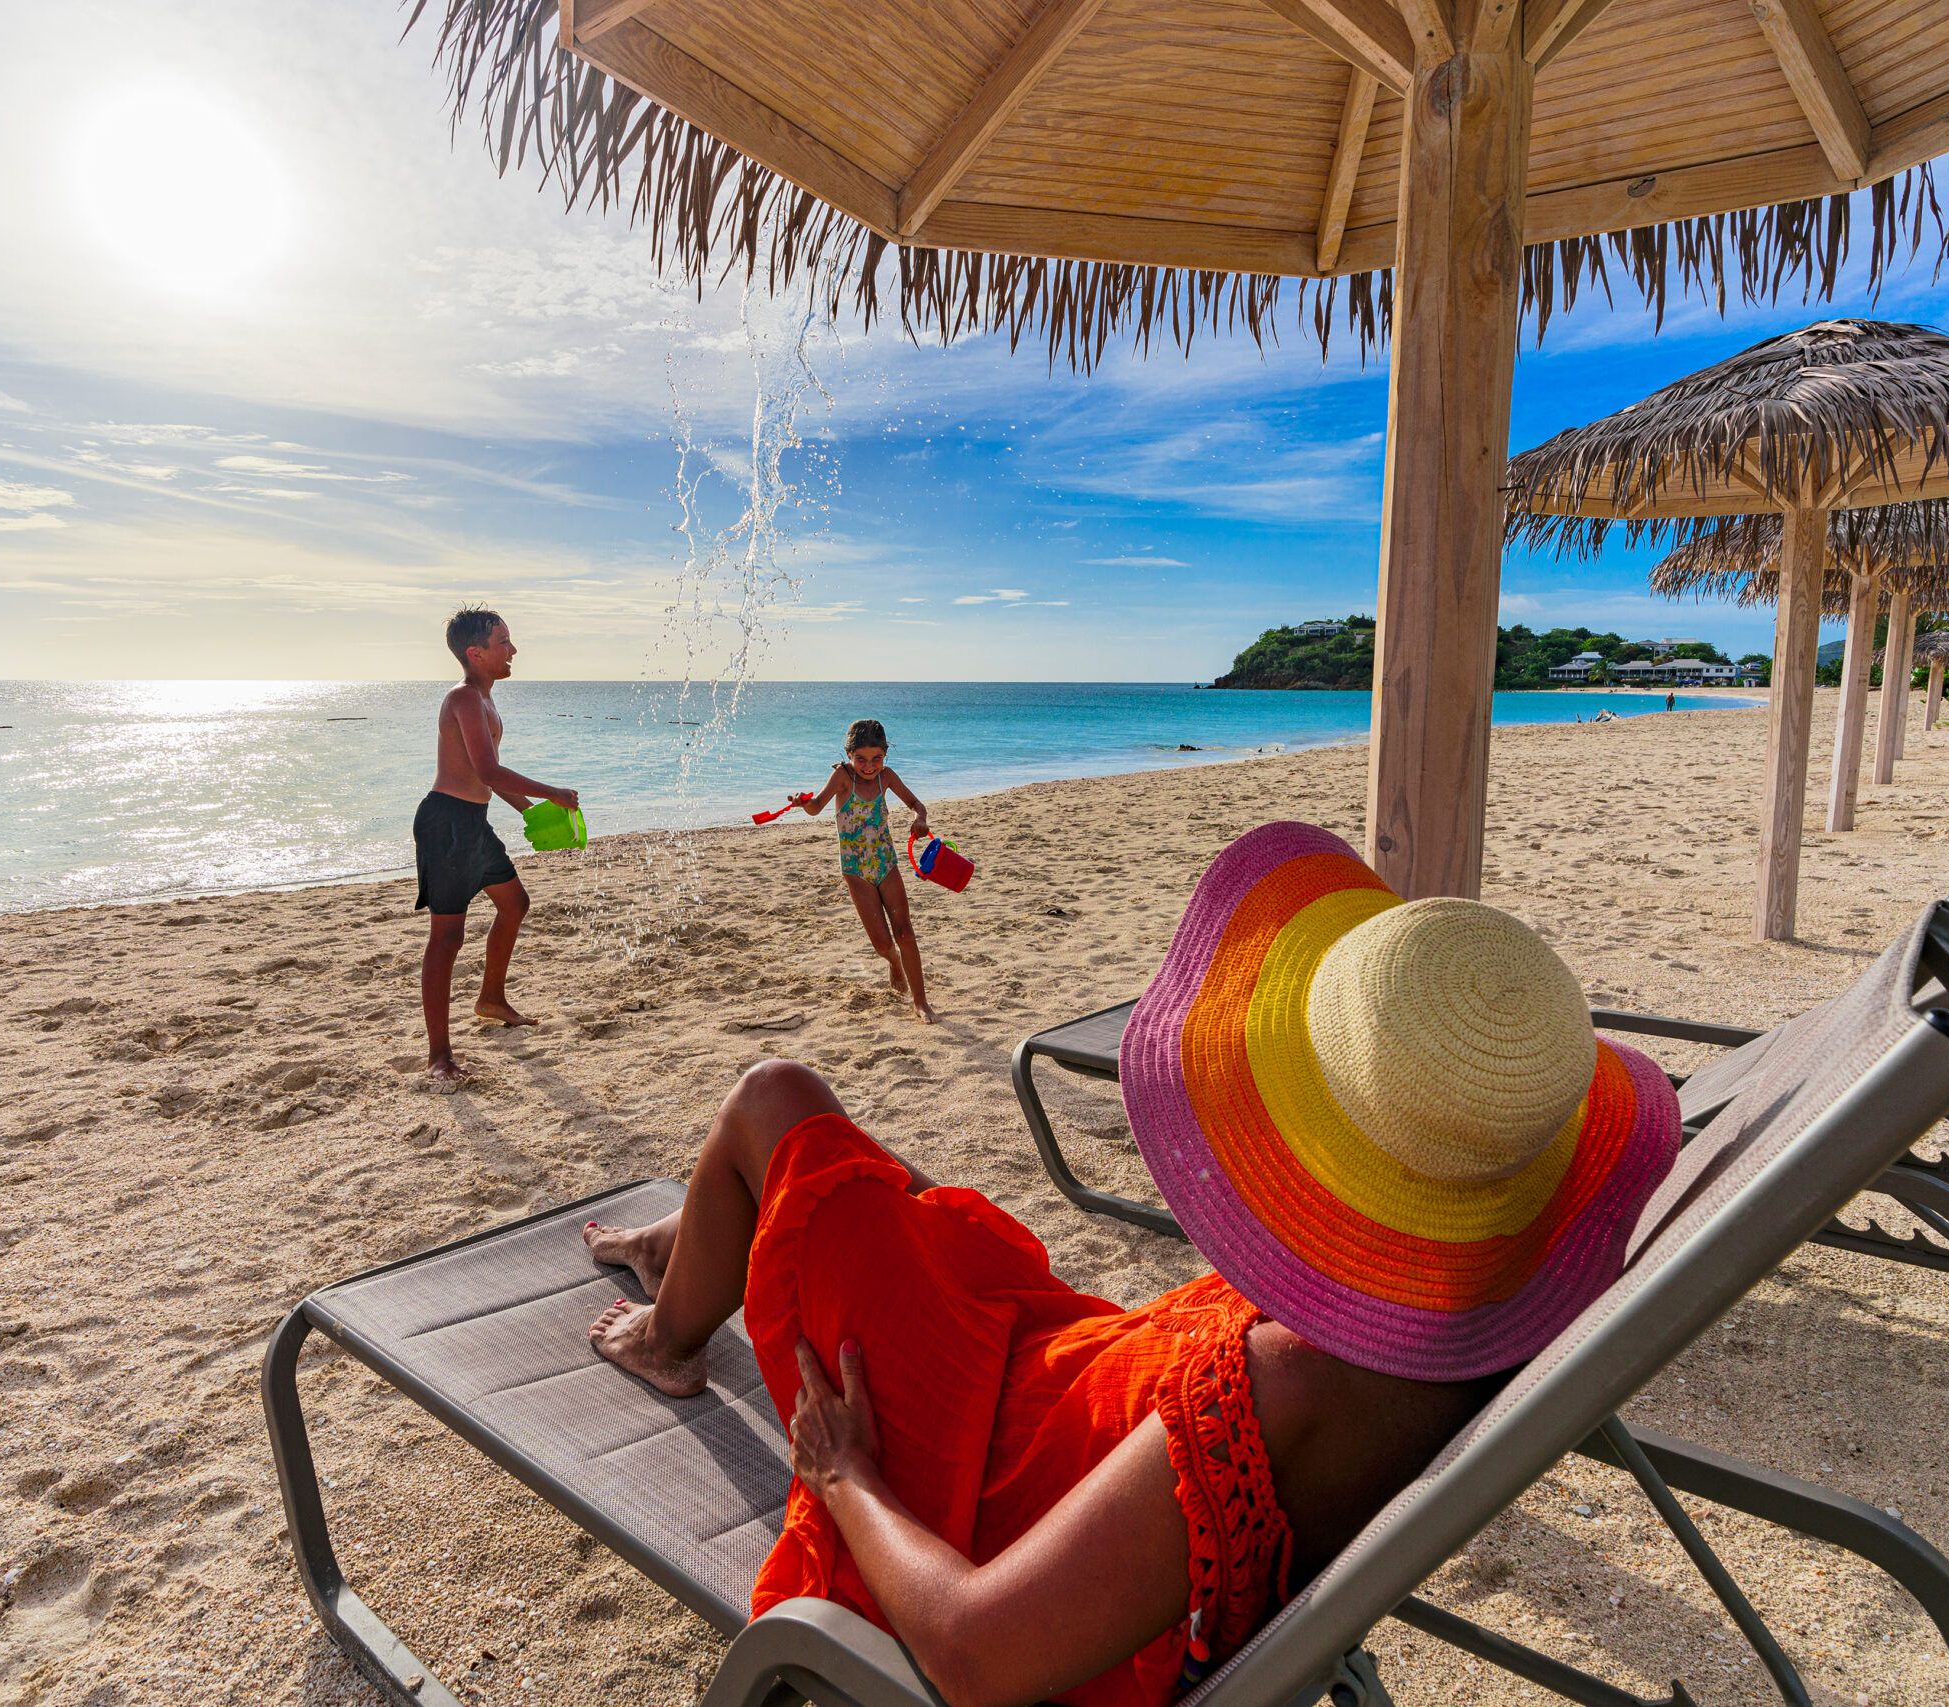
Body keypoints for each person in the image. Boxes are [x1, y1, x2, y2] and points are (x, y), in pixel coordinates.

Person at [582, 821, 1678, 1707]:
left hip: (991, 1474)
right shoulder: (1478, 1308)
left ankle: (673, 1334)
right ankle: (694, 1239)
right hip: (1073, 1371)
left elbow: (973, 1652)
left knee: (777, 1100)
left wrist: (844, 1476)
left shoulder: (1284, 1387)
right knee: (888, 1198)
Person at [415, 607, 579, 1081]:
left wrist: (532, 810)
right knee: (447, 938)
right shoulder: (464, 699)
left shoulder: (486, 702)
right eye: (504, 641)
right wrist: (554, 793)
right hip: (445, 824)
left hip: (473, 821)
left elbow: (486, 777)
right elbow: (487, 772)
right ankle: (439, 1056)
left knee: (515, 904)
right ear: (476, 653)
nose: (512, 649)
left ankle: (490, 999)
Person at [791, 719, 935, 1021]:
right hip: (856, 870)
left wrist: (919, 819)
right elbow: (817, 806)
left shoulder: (887, 777)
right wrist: (802, 803)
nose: (869, 766)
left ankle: (920, 1001)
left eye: (877, 758)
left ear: (885, 754)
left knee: (905, 932)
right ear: (848, 755)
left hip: (886, 863)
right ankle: (894, 962)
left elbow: (916, 804)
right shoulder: (842, 778)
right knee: (883, 943)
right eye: (861, 759)